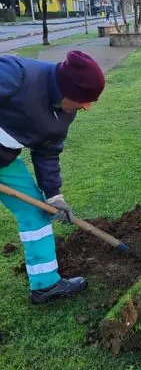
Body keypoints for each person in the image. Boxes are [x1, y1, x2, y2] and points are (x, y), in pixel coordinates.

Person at [0, 50, 104, 304]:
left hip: (4, 161)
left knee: (36, 213)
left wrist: (54, 196)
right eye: (83, 100)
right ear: (66, 88)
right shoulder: (16, 74)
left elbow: (47, 151)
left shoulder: (66, 111)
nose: (86, 108)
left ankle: (45, 284)